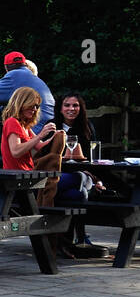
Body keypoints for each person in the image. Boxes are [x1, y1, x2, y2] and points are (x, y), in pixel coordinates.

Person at [54, 92, 106, 255]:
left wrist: (98, 180)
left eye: (75, 105)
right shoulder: (52, 126)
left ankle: (69, 241)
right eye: (67, 105)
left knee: (82, 185)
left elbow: (94, 159)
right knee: (79, 193)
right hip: (62, 176)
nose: (71, 109)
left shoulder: (87, 127)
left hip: (87, 176)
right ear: (60, 109)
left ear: (81, 108)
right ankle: (78, 238)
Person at [0, 85, 66, 205]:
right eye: (32, 105)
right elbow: (15, 151)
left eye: (37, 106)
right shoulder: (12, 122)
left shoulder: (25, 125)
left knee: (66, 184)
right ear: (21, 103)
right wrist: (41, 135)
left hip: (27, 174)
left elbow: (39, 146)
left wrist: (55, 136)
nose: (35, 109)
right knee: (68, 181)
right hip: (16, 177)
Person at [0, 50, 55, 128]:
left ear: (6, 67)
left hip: (36, 129)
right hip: (50, 126)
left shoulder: (13, 75)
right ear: (25, 64)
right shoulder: (37, 79)